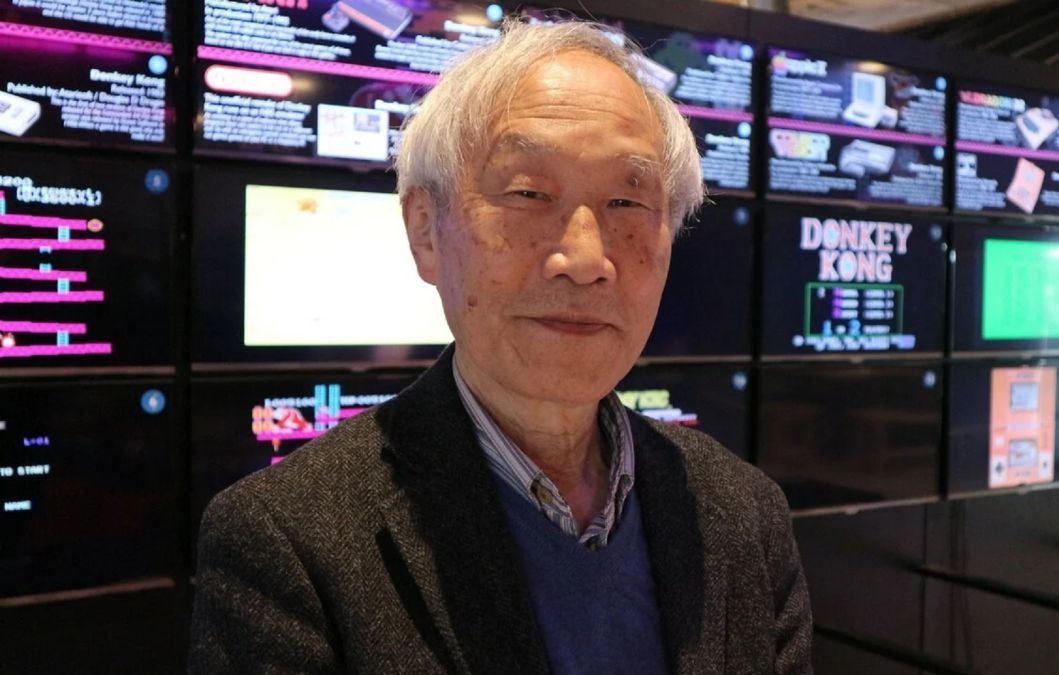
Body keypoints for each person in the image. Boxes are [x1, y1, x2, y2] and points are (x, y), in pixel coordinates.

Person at [189, 18, 813, 674]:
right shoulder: (286, 539)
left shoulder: (746, 511)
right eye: (528, 193)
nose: (585, 259)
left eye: (627, 202)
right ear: (426, 232)